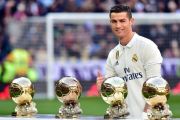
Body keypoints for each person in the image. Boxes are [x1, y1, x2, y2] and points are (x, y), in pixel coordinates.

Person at [96, 4, 163, 118]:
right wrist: (101, 89)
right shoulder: (112, 55)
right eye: (114, 21)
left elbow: (156, 88)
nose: (118, 25)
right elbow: (112, 95)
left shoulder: (146, 46)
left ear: (131, 21)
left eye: (122, 21)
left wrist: (144, 115)